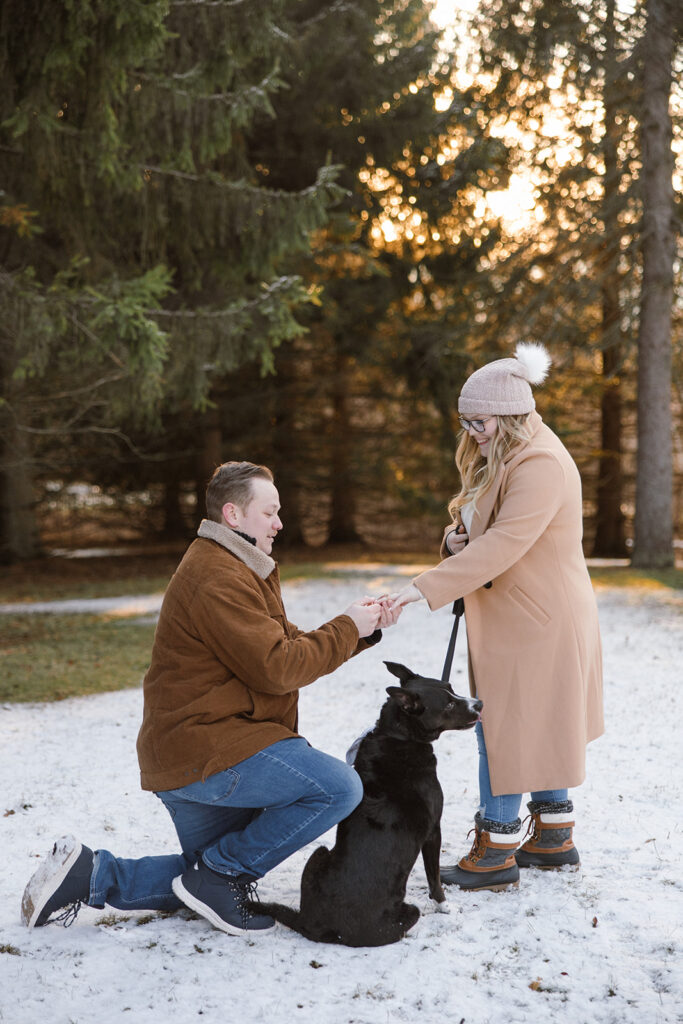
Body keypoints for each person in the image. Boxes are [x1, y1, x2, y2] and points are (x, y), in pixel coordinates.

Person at [22, 461, 400, 935]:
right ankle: (220, 875)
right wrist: (347, 628)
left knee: (199, 878)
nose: (280, 523)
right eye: (270, 512)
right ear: (233, 515)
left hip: (199, 749)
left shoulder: (235, 565)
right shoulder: (217, 576)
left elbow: (281, 647)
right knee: (338, 787)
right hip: (207, 750)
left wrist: (359, 632)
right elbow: (278, 667)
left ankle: (91, 875)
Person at [390, 343, 603, 892]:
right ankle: (553, 838)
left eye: (478, 420)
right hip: (524, 613)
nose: (471, 431)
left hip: (538, 617)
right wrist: (454, 539)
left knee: (506, 726)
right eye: (465, 420)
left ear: (506, 415)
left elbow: (506, 542)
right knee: (539, 723)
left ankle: (496, 849)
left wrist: (421, 590)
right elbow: (481, 528)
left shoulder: (541, 463)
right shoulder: (511, 451)